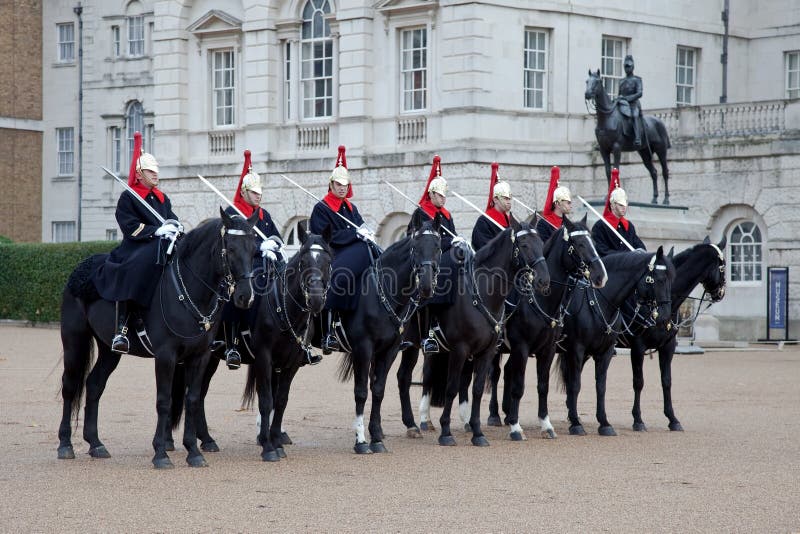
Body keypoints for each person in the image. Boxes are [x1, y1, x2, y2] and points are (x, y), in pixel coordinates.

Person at [93, 131, 181, 353]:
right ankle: (121, 329)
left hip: (161, 245)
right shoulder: (129, 197)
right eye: (151, 171)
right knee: (133, 269)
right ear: (139, 174)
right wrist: (156, 231)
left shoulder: (162, 199)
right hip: (136, 247)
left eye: (156, 171)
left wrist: (174, 227)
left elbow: (171, 217)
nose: (155, 174)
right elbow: (130, 225)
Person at [220, 150, 291, 369]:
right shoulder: (235, 213)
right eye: (253, 192)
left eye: (260, 192)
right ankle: (232, 344)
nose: (258, 195)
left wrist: (274, 245)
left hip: (268, 262)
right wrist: (261, 247)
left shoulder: (264, 215)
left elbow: (277, 237)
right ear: (244, 192)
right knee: (247, 288)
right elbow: (238, 245)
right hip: (246, 264)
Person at [309, 145, 377, 354]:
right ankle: (328, 330)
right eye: (338, 184)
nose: (342, 188)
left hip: (356, 250)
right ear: (331, 184)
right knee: (339, 276)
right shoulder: (322, 208)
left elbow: (359, 225)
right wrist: (354, 235)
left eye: (345, 185)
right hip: (333, 253)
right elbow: (323, 236)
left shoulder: (350, 208)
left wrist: (365, 231)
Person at [405, 155, 461, 354]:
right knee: (438, 274)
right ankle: (428, 332)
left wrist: (457, 241)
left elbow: (451, 235)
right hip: (426, 258)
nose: (443, 198)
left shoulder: (446, 215)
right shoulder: (421, 213)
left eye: (444, 195)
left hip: (443, 253)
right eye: (439, 195)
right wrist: (449, 242)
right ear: (431, 194)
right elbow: (415, 238)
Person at [591, 168, 646, 256]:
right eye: (621, 205)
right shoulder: (600, 226)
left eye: (625, 204)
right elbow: (601, 250)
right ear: (612, 205)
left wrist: (640, 252)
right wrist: (624, 256)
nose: (624, 207)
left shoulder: (629, 226)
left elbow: (640, 247)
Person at [471, 162, 516, 250]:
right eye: (505, 198)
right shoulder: (484, 221)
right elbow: (483, 248)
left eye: (509, 198)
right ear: (495, 199)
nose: (509, 201)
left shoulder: (510, 220)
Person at [536, 165, 573, 243]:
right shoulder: (543, 224)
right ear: (558, 204)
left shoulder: (568, 224)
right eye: (568, 203)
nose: (571, 206)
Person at [618, 55, 644, 147]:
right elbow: (619, 94)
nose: (627, 68)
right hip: (622, 104)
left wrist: (628, 98)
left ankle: (637, 138)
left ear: (633, 67)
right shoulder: (621, 81)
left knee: (634, 115)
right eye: (625, 66)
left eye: (628, 66)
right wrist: (618, 99)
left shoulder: (637, 79)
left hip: (633, 104)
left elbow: (640, 93)